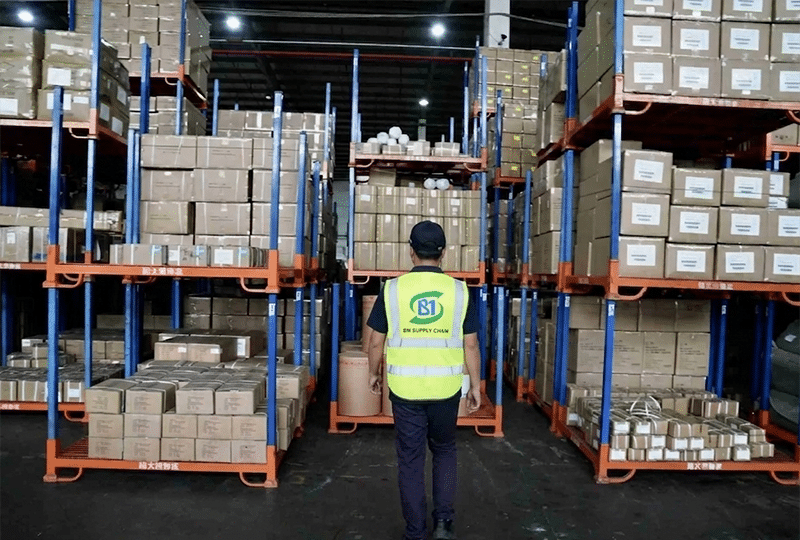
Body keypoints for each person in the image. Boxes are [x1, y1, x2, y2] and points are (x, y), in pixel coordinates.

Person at [366, 220, 482, 540]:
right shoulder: (460, 291)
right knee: (445, 451)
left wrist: (373, 374)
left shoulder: (392, 289)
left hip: (405, 390)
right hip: (446, 390)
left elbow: (375, 342)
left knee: (411, 460)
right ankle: (443, 524)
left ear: (411, 251)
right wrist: (475, 386)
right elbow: (470, 344)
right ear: (443, 253)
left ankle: (416, 532)